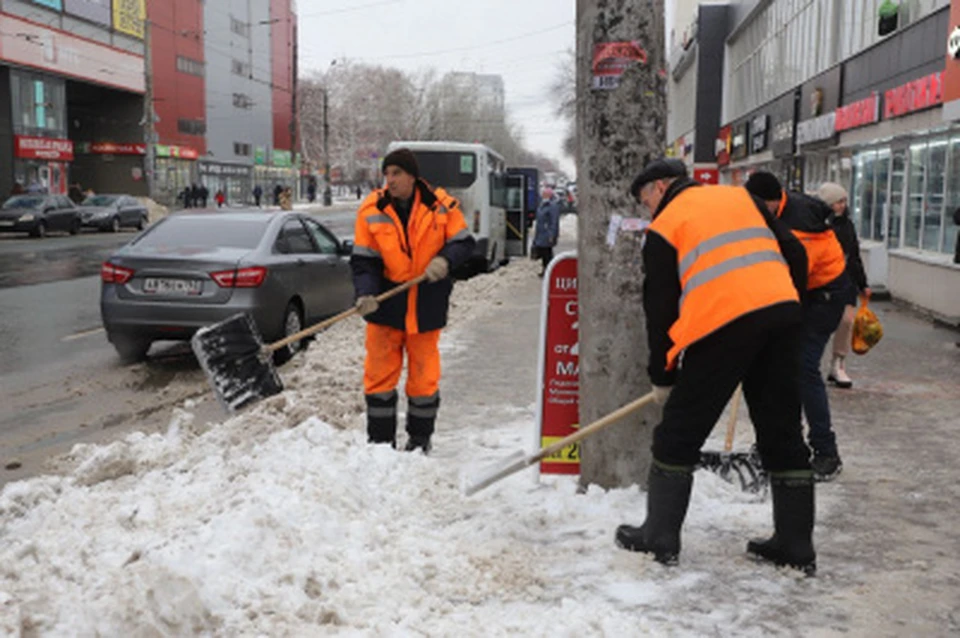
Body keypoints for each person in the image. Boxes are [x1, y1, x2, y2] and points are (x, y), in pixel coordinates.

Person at [616, 158, 816, 574]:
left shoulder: (665, 227)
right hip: (780, 316)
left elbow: (660, 312)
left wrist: (662, 375)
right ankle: (796, 545)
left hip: (721, 326)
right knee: (782, 432)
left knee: (678, 434)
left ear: (662, 186)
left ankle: (659, 536)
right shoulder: (743, 197)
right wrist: (785, 304)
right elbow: (795, 253)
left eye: (645, 199)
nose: (647, 209)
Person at [350, 148, 476, 453]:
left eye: (396, 174)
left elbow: (463, 243)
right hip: (386, 304)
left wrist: (445, 261)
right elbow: (364, 261)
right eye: (387, 174)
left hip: (425, 303)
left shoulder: (441, 206)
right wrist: (365, 293)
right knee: (379, 376)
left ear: (412, 176)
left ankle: (420, 441)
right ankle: (380, 444)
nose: (389, 180)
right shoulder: (371, 208)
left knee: (423, 377)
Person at [745, 172, 854, 482]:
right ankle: (780, 443)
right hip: (804, 294)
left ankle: (826, 452)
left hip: (824, 297)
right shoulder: (776, 213)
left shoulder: (800, 222)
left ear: (772, 201)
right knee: (779, 368)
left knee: (803, 368)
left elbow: (794, 271)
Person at [817, 183, 870, 389]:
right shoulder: (818, 224)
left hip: (846, 281)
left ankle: (838, 363)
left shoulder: (847, 225)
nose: (842, 205)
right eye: (838, 201)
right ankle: (810, 363)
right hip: (823, 282)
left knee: (846, 322)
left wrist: (863, 284)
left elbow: (854, 255)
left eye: (844, 201)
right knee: (820, 325)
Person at [532, 188, 561, 276]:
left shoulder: (552, 206)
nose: (542, 195)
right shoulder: (542, 205)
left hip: (547, 234)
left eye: (544, 194)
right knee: (544, 252)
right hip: (541, 233)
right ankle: (546, 270)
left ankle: (549, 271)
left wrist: (552, 234)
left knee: (547, 253)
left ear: (549, 195)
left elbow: (554, 221)